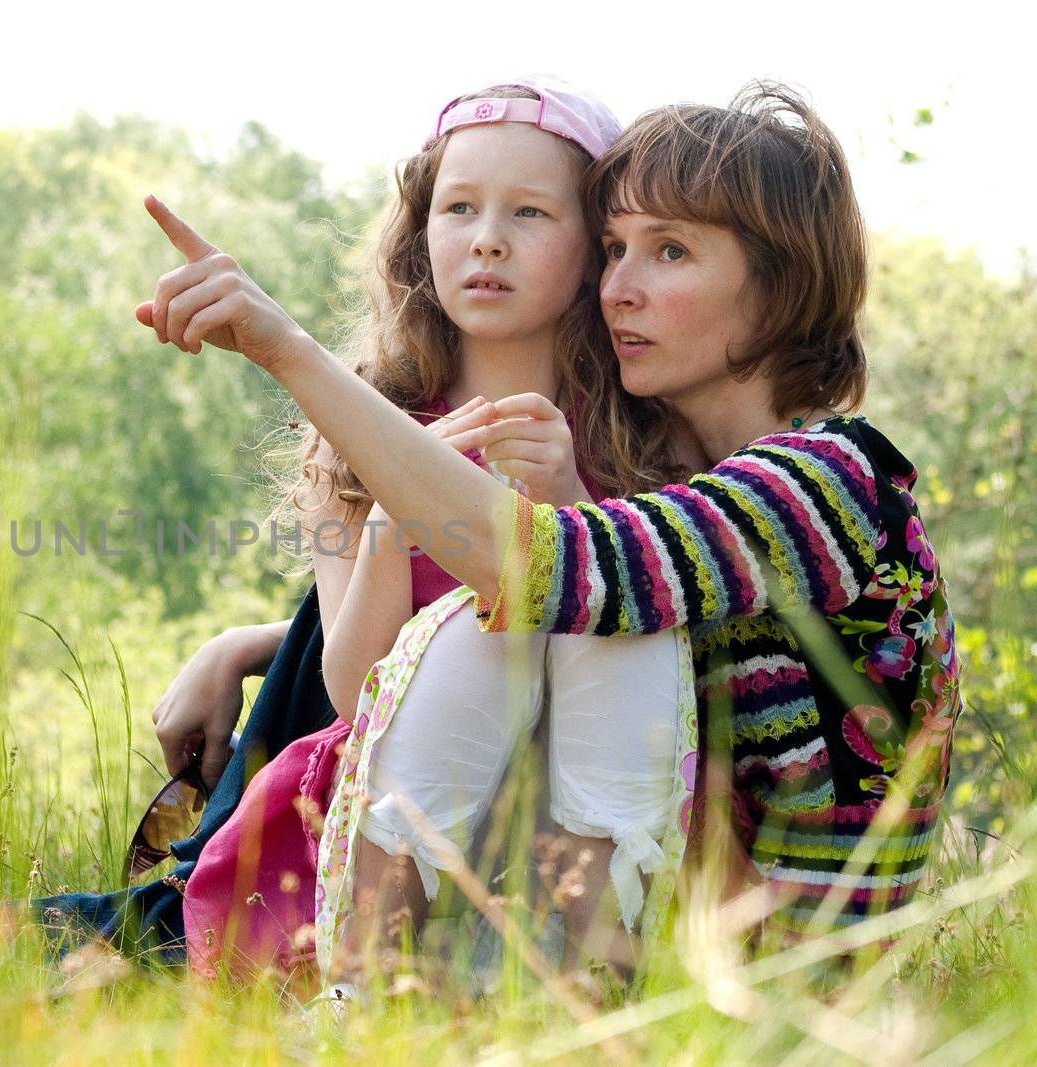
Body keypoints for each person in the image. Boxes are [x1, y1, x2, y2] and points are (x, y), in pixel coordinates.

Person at [137, 81, 962, 958]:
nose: (619, 289)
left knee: (558, 614)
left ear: (780, 285)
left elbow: (554, 570)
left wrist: (287, 350)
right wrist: (263, 642)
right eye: (613, 250)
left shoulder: (821, 481)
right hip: (661, 906)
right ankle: (401, 996)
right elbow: (592, 578)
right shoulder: (702, 487)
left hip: (782, 969)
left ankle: (423, 994)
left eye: (671, 252)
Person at [167, 77, 692, 987]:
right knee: (466, 640)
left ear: (594, 250)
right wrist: (385, 524)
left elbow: (636, 622)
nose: (487, 237)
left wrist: (566, 492)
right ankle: (374, 991)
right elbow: (349, 687)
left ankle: (576, 986)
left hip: (568, 825)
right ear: (421, 233)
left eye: (530, 212)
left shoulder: (645, 431)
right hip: (392, 816)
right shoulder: (353, 433)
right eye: (459, 207)